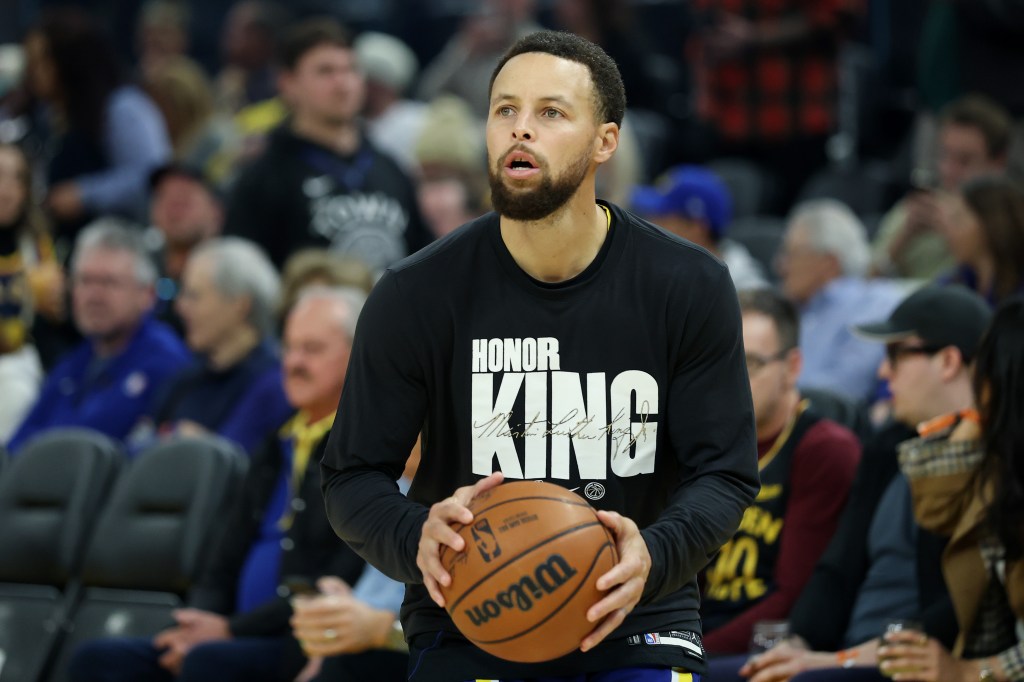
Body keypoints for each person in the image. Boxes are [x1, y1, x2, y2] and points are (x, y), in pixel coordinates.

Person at [322, 30, 760, 681]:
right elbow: (351, 476)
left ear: (605, 141)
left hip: (637, 618)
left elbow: (724, 473)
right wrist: (416, 537)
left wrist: (655, 555)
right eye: (505, 110)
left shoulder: (686, 284)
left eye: (550, 112)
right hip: (470, 617)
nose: (520, 130)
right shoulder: (416, 292)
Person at [69, 286, 371, 682]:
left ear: (359, 356)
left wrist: (228, 632)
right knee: (96, 660)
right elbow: (222, 556)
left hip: (297, 642)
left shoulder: (365, 453)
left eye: (312, 349)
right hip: (231, 633)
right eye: (290, 348)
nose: (294, 362)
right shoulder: (276, 443)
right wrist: (201, 625)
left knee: (207, 665)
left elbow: (333, 582)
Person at [716, 284, 990, 682]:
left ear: (948, 361)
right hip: (850, 653)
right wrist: (802, 643)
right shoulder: (889, 444)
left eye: (896, 355)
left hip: (908, 662)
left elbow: (957, 609)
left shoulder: (992, 463)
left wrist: (835, 660)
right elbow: (837, 567)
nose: (882, 371)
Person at [700, 288, 861, 655]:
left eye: (751, 363)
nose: (731, 379)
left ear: (792, 367)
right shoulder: (707, 444)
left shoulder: (824, 450)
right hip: (703, 633)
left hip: (765, 646)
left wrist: (692, 656)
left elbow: (793, 598)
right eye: (721, 361)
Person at [883, 296, 1024, 682]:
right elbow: (937, 508)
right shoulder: (1001, 469)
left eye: (984, 372)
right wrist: (974, 425)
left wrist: (970, 673)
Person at [224, 18, 431, 272]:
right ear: (288, 83)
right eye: (326, 71)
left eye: (351, 69)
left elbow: (424, 261)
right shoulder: (262, 179)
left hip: (391, 311)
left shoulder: (390, 168)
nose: (343, 83)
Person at [8, 220, 189, 453]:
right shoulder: (76, 361)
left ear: (147, 294)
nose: (93, 295)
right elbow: (15, 448)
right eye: (85, 280)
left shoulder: (166, 363)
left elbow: (94, 449)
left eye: (109, 282)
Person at [128, 237, 291, 456]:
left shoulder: (276, 383)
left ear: (240, 305)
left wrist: (191, 446)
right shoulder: (184, 379)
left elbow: (232, 470)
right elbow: (132, 452)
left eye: (193, 296)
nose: (180, 307)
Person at [23, 7, 171, 243]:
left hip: (123, 242)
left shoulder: (122, 108)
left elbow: (151, 176)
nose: (33, 72)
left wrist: (84, 194)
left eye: (42, 61)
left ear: (69, 61)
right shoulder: (49, 115)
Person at [871, 95, 1012, 281]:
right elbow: (865, 283)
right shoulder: (916, 209)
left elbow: (998, 288)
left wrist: (955, 232)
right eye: (946, 155)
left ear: (997, 164)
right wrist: (903, 239)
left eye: (965, 160)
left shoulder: (1010, 222)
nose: (950, 171)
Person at [775, 199, 904, 402]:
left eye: (792, 253)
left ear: (828, 262)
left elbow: (845, 388)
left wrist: (772, 396)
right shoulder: (792, 306)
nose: (781, 266)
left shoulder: (873, 302)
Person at [0, 141, 60, 444]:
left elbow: (55, 313)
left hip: (22, 363)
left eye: (17, 178)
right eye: (0, 176)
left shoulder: (37, 245)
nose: (7, 189)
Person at [630, 165, 767, 291]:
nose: (650, 222)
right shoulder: (665, 269)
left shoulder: (744, 291)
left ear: (695, 229)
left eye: (661, 217)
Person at [145, 162, 224, 335]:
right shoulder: (139, 270)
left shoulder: (233, 276)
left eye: (184, 201)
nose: (174, 211)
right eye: (165, 198)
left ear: (216, 211)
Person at [940, 174, 1024, 307]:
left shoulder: (1018, 296)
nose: (948, 231)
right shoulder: (955, 282)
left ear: (991, 224)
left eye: (958, 220)